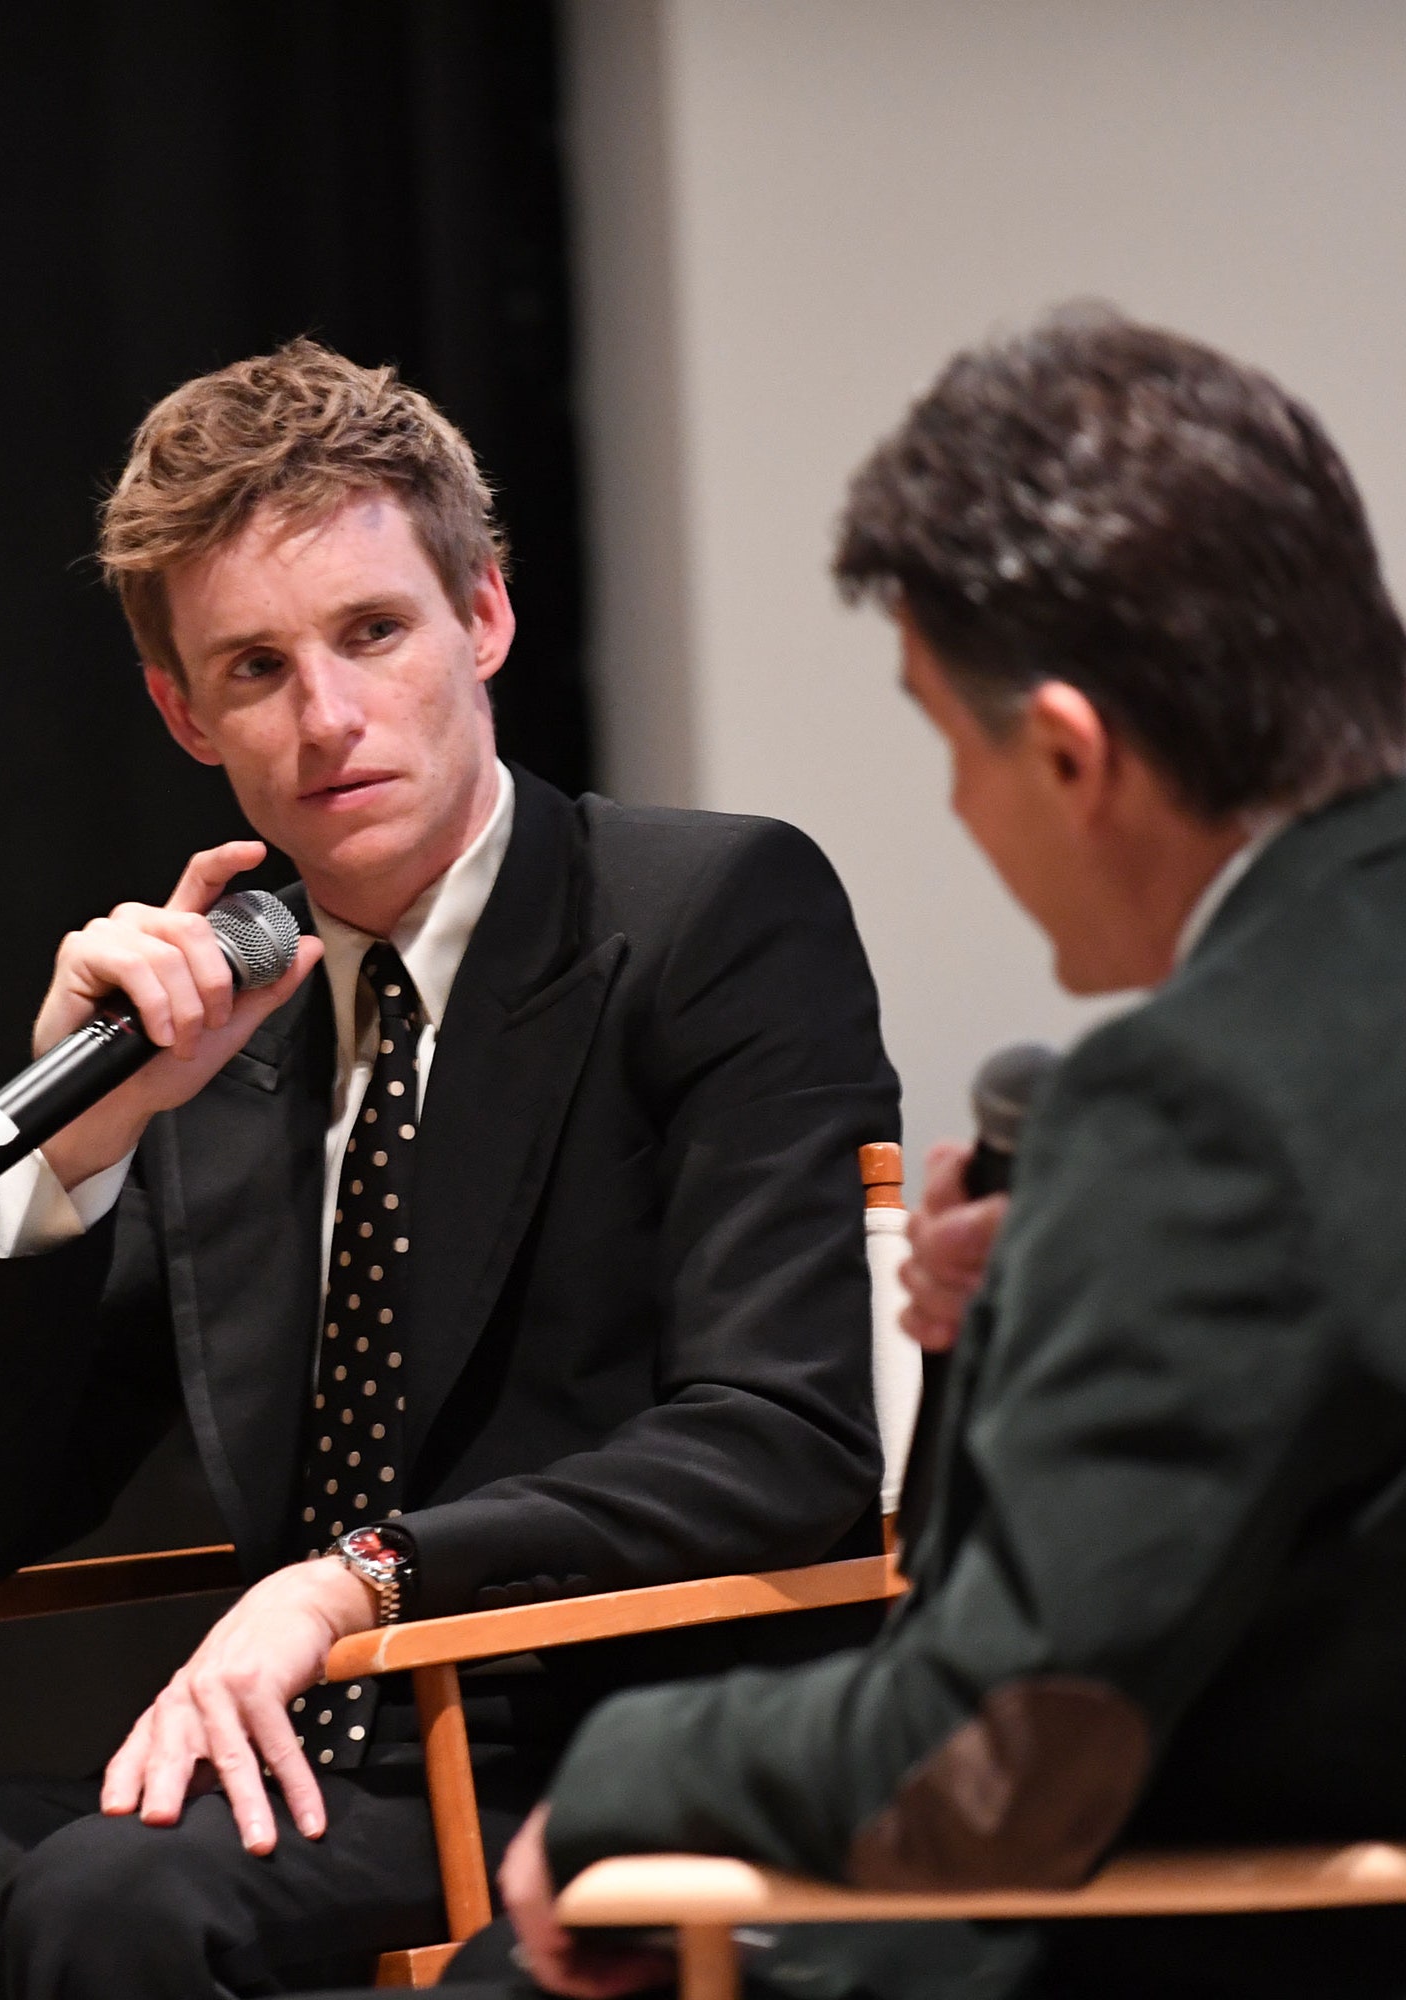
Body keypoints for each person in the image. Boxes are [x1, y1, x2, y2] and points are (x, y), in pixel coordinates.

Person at [0, 340, 898, 1998]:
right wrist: (85, 1146)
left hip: (581, 1751)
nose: (328, 716)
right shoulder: (215, 1022)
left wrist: (355, 1585)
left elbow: (783, 1436)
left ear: (481, 618)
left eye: (372, 633)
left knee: (116, 1908)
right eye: (255, 670)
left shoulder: (704, 916)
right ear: (182, 712)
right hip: (261, 1783)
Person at [431, 309, 1406, 2000]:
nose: (958, 808)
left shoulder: (1194, 1108)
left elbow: (995, 1747)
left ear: (1070, 752)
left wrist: (605, 1793)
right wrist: (998, 1332)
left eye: (948, 742)